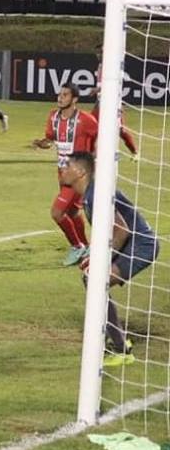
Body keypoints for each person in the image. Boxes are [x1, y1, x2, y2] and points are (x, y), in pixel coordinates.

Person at [61, 152, 159, 367]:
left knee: (95, 281)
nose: (62, 169)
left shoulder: (95, 194)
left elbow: (121, 230)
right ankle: (112, 337)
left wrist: (102, 259)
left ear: (80, 172)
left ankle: (122, 350)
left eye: (67, 165)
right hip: (132, 244)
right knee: (92, 280)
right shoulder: (89, 194)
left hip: (141, 246)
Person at [31, 83, 98, 266]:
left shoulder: (86, 119)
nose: (60, 98)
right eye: (60, 94)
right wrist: (41, 143)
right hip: (62, 172)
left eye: (65, 95)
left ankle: (76, 246)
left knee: (57, 212)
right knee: (73, 211)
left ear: (74, 99)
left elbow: (100, 135)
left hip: (78, 174)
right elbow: (51, 139)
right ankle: (85, 246)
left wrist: (93, 159)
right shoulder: (53, 116)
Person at [90, 43, 138, 160]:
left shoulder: (112, 66)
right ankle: (93, 154)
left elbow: (113, 84)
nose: (99, 55)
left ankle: (135, 152)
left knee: (120, 130)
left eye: (101, 52)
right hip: (101, 101)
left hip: (113, 102)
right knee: (91, 127)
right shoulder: (101, 65)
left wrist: (98, 89)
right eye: (98, 52)